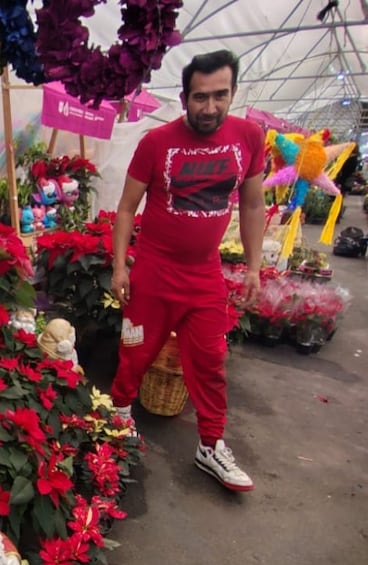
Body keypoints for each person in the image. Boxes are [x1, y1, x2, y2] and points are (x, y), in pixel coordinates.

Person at [109, 50, 266, 492]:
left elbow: (254, 204)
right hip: (154, 272)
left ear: (233, 93)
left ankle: (211, 445)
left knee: (211, 361)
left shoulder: (249, 137)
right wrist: (121, 267)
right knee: (135, 349)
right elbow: (125, 209)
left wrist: (253, 268)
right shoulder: (155, 143)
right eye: (200, 97)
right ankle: (119, 415)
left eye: (220, 95)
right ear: (184, 98)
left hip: (205, 275)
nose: (210, 107)